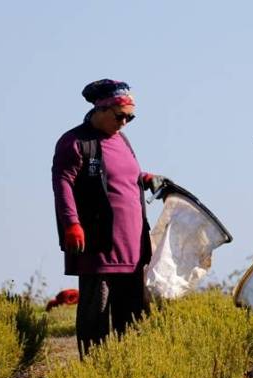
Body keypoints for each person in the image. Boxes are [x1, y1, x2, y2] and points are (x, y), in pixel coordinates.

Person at [51, 79, 168, 356]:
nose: (125, 123)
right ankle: (94, 369)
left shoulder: (122, 141)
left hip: (132, 246)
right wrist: (71, 223)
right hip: (97, 245)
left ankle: (127, 367)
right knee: (96, 314)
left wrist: (146, 178)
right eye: (120, 116)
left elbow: (122, 177)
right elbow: (62, 182)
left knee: (131, 316)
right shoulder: (75, 142)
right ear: (101, 109)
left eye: (131, 117)